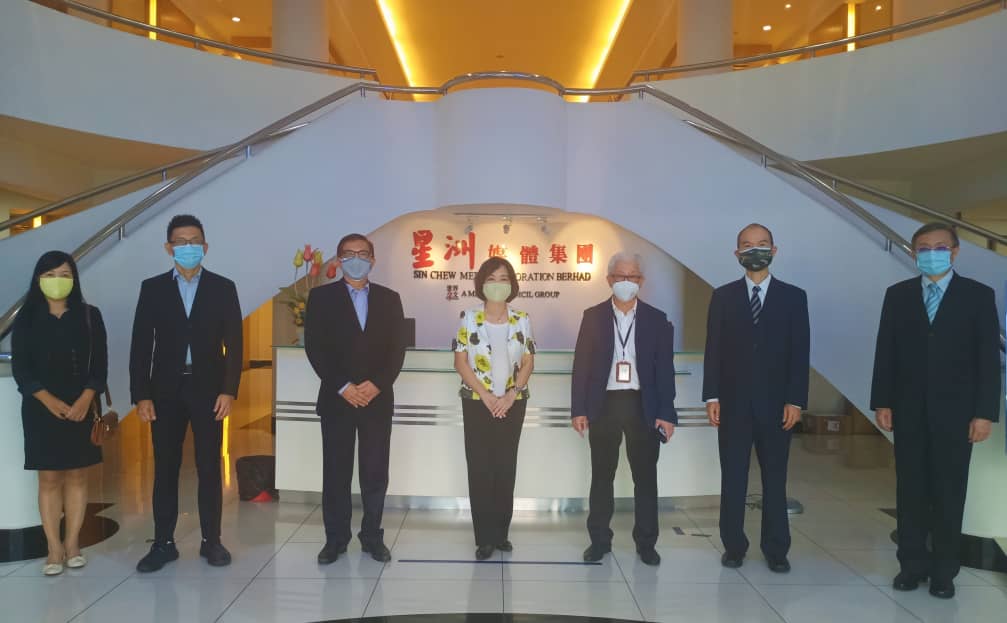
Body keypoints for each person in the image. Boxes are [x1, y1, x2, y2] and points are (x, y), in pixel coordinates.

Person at [871, 222, 1000, 599]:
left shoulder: (977, 296)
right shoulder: (898, 295)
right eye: (923, 247)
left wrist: (983, 413)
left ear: (955, 252)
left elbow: (987, 361)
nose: (931, 253)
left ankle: (944, 571)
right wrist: (883, 401)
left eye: (940, 247)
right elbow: (886, 353)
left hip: (958, 416)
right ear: (914, 253)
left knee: (949, 492)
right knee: (909, 490)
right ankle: (910, 565)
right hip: (907, 410)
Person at [129, 214, 243, 572]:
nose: (188, 247)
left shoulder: (223, 288)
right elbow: (140, 346)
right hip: (164, 391)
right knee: (165, 467)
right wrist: (141, 394)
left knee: (210, 466)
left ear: (205, 247)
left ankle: (212, 541)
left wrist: (229, 390)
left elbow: (235, 345)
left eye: (194, 241)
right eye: (180, 241)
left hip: (208, 389)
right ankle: (163, 543)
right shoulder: (153, 288)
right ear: (169, 247)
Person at [703, 223, 809, 574]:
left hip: (778, 406)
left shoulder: (794, 297)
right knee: (733, 477)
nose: (755, 250)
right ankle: (734, 546)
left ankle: (776, 548)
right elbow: (713, 350)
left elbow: (799, 352)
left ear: (774, 251)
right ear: (737, 255)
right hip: (732, 405)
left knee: (775, 478)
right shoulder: (723, 296)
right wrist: (712, 396)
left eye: (762, 244)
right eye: (747, 246)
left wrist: (795, 400)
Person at [305, 233, 406, 564]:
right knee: (336, 472)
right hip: (337, 400)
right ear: (338, 260)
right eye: (349, 254)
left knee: (375, 472)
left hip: (377, 400)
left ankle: (372, 537)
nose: (357, 259)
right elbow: (315, 349)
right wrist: (344, 387)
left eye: (363, 254)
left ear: (373, 261)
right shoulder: (320, 298)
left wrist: (375, 385)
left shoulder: (390, 299)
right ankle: (335, 539)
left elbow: (396, 350)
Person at [571, 251, 677, 566]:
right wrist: (578, 409)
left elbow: (664, 371)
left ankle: (646, 543)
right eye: (620, 276)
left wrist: (667, 412)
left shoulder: (657, 319)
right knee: (602, 475)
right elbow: (582, 366)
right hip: (603, 404)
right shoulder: (592, 316)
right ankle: (599, 541)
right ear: (609, 280)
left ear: (641, 282)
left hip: (642, 404)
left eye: (632, 277)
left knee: (645, 477)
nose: (626, 282)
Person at [12, 251, 107, 576]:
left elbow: (100, 367)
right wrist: (48, 400)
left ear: (74, 278)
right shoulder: (25, 319)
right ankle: (53, 548)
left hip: (82, 406)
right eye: (50, 275)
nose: (57, 281)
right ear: (39, 279)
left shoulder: (89, 316)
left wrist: (86, 399)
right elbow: (22, 370)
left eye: (64, 274)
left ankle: (73, 544)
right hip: (41, 409)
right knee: (49, 478)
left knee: (78, 476)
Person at [453, 257, 536, 560]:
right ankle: (484, 538)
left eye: (504, 278)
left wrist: (512, 394)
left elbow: (528, 361)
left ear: (512, 284)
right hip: (477, 403)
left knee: (504, 466)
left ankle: (501, 533)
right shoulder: (469, 317)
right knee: (480, 467)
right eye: (492, 277)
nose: (498, 283)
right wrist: (485, 395)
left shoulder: (522, 318)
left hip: (513, 403)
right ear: (482, 283)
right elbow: (460, 361)